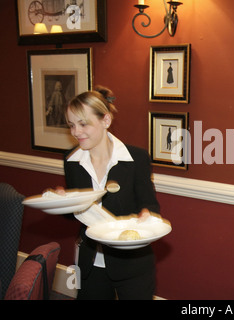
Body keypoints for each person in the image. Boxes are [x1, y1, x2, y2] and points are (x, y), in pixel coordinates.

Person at [64, 86, 160, 300]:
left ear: (105, 121)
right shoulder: (72, 162)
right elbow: (73, 215)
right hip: (90, 262)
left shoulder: (137, 158)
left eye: (83, 124)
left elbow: (151, 205)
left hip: (133, 264)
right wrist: (63, 201)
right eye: (71, 125)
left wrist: (147, 216)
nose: (76, 132)